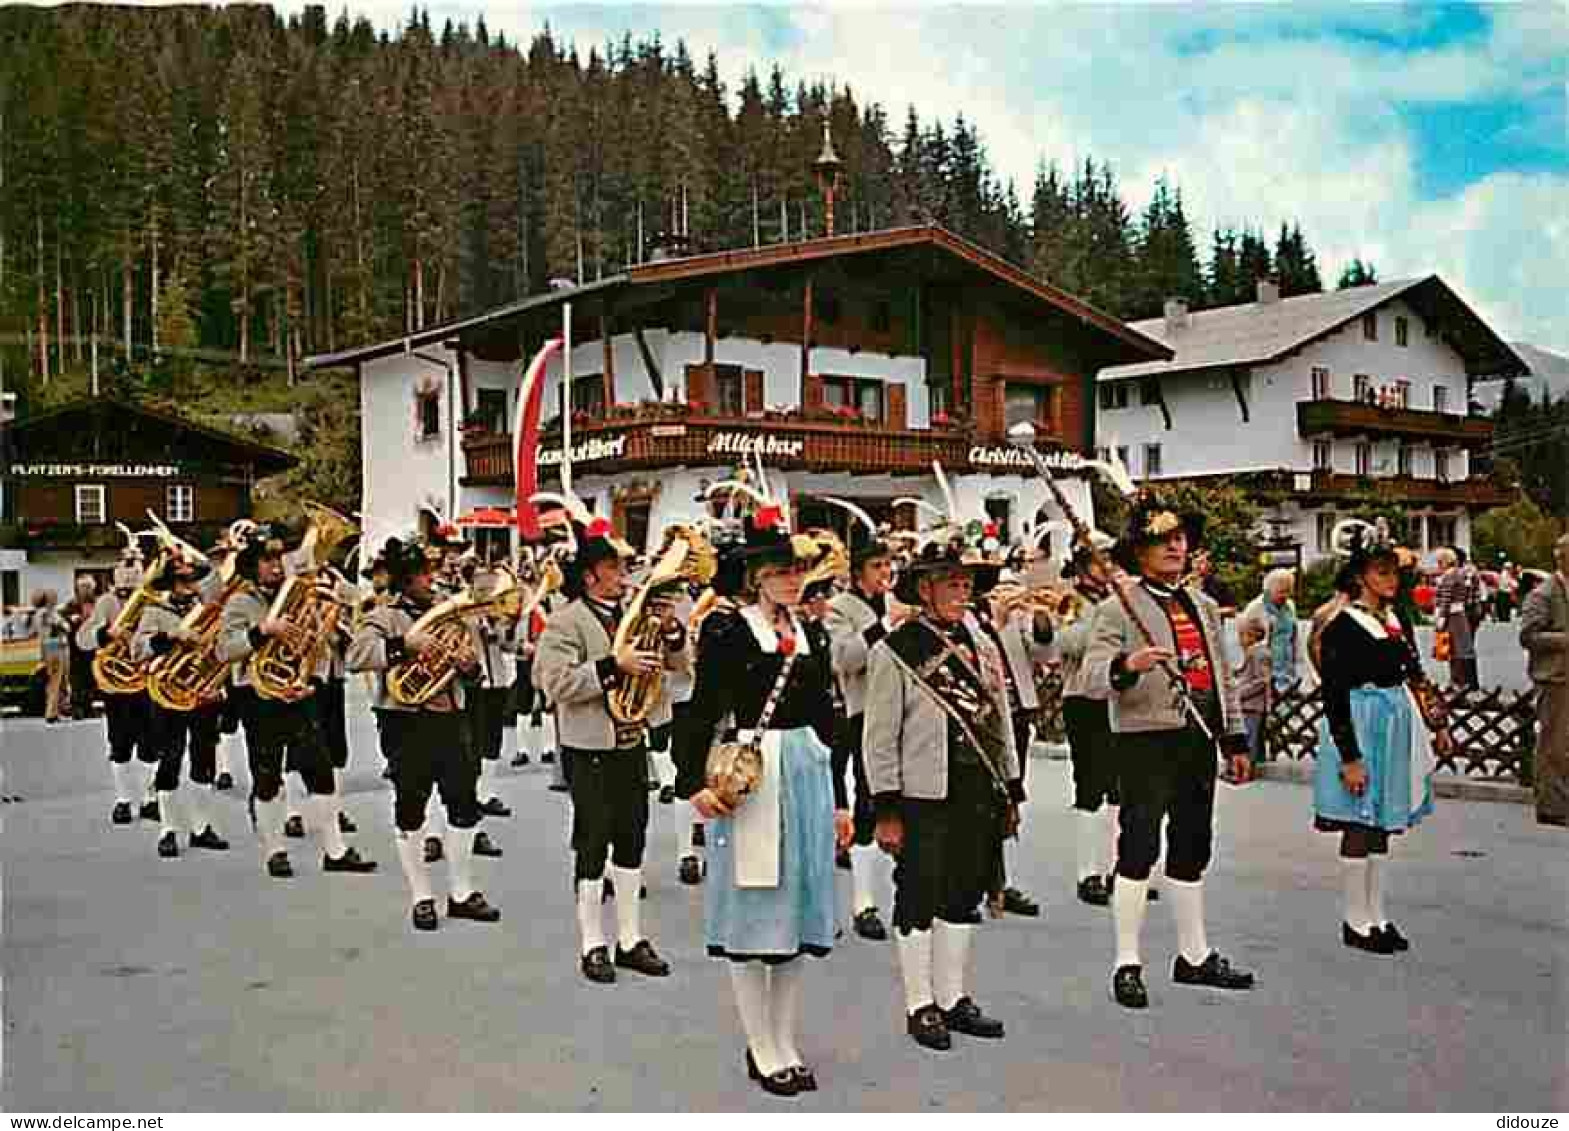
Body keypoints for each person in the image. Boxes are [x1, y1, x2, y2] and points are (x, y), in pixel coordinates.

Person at [674, 503, 848, 1096]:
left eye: (796, 568)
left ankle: (784, 1036)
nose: (793, 579)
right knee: (755, 908)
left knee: (797, 906)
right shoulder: (728, 630)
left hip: (806, 767)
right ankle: (760, 1043)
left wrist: (842, 799)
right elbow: (699, 709)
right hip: (754, 769)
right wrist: (690, 781)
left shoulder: (814, 632)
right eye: (779, 569)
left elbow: (829, 720)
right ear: (753, 575)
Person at [1084, 496, 1255, 1009]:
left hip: (1197, 738)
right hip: (1144, 738)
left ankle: (1194, 955)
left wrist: (1234, 737)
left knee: (1193, 843)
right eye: (1164, 540)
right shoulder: (1118, 608)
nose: (1176, 546)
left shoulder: (1202, 606)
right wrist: (1128, 663)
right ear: (1139, 551)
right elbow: (1091, 677)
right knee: (1138, 847)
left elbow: (1221, 676)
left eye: (1181, 538)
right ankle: (1127, 962)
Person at [865, 526, 1022, 1053]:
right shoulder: (896, 651)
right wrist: (885, 808)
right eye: (949, 583)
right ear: (924, 589)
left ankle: (953, 998)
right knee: (918, 894)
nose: (961, 591)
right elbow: (880, 737)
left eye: (966, 583)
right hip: (923, 794)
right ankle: (919, 1003)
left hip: (978, 786)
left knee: (963, 893)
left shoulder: (982, 642)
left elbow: (1000, 718)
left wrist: (1012, 788)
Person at [535, 509, 682, 984]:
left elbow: (678, 668)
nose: (625, 576)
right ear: (591, 573)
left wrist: (674, 635)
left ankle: (630, 940)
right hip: (590, 746)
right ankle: (592, 943)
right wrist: (611, 666)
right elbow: (555, 683)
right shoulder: (565, 622)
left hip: (631, 740)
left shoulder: (634, 616)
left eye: (624, 567)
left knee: (633, 839)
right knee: (593, 841)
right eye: (616, 568)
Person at [348, 536, 501, 930]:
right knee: (410, 807)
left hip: (450, 718)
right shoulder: (384, 616)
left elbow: (473, 674)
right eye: (422, 574)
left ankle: (462, 892)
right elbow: (357, 656)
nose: (431, 580)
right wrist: (404, 645)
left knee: (464, 804)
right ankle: (421, 895)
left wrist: (468, 666)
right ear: (404, 579)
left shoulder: (451, 614)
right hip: (404, 722)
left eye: (430, 572)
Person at [1314, 520, 1448, 954]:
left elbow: (1414, 672)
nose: (1391, 581)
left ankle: (1377, 913)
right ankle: (1355, 918)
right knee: (1358, 819)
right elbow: (1333, 696)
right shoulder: (1341, 626)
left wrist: (1437, 721)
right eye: (1381, 572)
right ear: (1359, 578)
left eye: (1394, 572)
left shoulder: (1395, 619)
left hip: (1394, 721)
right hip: (1359, 720)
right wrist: (1349, 757)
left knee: (1383, 823)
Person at [219, 526, 377, 880]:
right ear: (250, 566)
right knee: (267, 774)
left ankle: (335, 851)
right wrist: (263, 632)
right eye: (267, 560)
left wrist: (313, 682)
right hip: (256, 695)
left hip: (298, 692)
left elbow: (317, 645)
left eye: (278, 559)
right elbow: (224, 650)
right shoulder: (238, 603)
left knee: (321, 768)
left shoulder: (299, 598)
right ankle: (275, 850)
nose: (276, 566)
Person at [824, 515, 902, 941]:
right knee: (867, 805)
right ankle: (863, 902)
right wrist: (883, 626)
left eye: (889, 565)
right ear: (859, 574)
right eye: (877, 566)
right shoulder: (841, 609)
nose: (886, 573)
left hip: (899, 713)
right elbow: (843, 659)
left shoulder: (896, 607)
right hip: (861, 714)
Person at [133, 551, 229, 858]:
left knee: (204, 759)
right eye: (183, 581)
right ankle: (169, 829)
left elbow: (223, 650)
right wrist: (173, 636)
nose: (190, 586)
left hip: (202, 694)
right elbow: (139, 649)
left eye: (193, 580)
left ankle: (201, 827)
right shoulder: (155, 611)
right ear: (171, 584)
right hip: (167, 694)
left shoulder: (210, 612)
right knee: (170, 758)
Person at [1056, 535, 1122, 907]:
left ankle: (1117, 867)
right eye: (1100, 563)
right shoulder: (1074, 601)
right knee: (1089, 784)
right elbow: (1068, 642)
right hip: (1083, 698)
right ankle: (1087, 872)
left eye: (1109, 562)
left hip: (1114, 696)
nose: (1107, 569)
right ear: (1083, 567)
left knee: (1119, 786)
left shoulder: (1116, 601)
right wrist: (1106, 617)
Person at [81, 544, 159, 825]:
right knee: (120, 743)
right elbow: (83, 638)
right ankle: (124, 799)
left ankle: (150, 799)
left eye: (135, 571)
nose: (128, 577)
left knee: (150, 743)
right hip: (116, 683)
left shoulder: (154, 602)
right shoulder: (106, 603)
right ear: (115, 576)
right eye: (124, 571)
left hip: (145, 678)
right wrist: (107, 633)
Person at [1520, 535, 1569, 828]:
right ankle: (1552, 806)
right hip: (1554, 678)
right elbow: (1528, 636)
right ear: (1562, 558)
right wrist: (1565, 640)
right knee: (1553, 744)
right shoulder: (1543, 594)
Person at [1241, 568, 1299, 695]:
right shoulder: (1254, 609)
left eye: (1289, 591)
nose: (1285, 596)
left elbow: (1294, 637)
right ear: (1268, 589)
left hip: (1287, 670)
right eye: (1281, 592)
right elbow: (1247, 646)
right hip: (1266, 674)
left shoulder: (1290, 606)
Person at [1434, 547, 1480, 690]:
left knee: (1454, 649)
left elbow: (1446, 599)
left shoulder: (1449, 576)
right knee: (1461, 648)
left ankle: (1458, 681)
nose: (1438, 565)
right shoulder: (1459, 574)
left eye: (1439, 562)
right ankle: (1462, 681)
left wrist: (1441, 617)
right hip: (1460, 613)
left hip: (1452, 616)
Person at [31, 590, 71, 723]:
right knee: (55, 681)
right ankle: (51, 713)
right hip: (56, 648)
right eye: (53, 597)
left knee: (54, 683)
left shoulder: (38, 614)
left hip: (47, 648)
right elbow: (64, 627)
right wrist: (64, 625)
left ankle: (55, 710)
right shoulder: (47, 613)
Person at [1235, 619, 1271, 766]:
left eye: (1242, 635)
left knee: (1249, 737)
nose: (1239, 640)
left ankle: (1248, 768)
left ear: (1252, 635)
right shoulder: (1254, 652)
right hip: (1252, 703)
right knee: (1253, 736)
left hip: (1252, 704)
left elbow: (1262, 680)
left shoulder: (1259, 654)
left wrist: (1241, 693)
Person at [65, 576, 99, 719]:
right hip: (76, 647)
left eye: (88, 587)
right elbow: (63, 620)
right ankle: (77, 708)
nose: (86, 590)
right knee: (77, 678)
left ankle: (88, 706)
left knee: (91, 677)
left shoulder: (97, 602)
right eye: (83, 587)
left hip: (92, 645)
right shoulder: (72, 604)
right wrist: (72, 619)